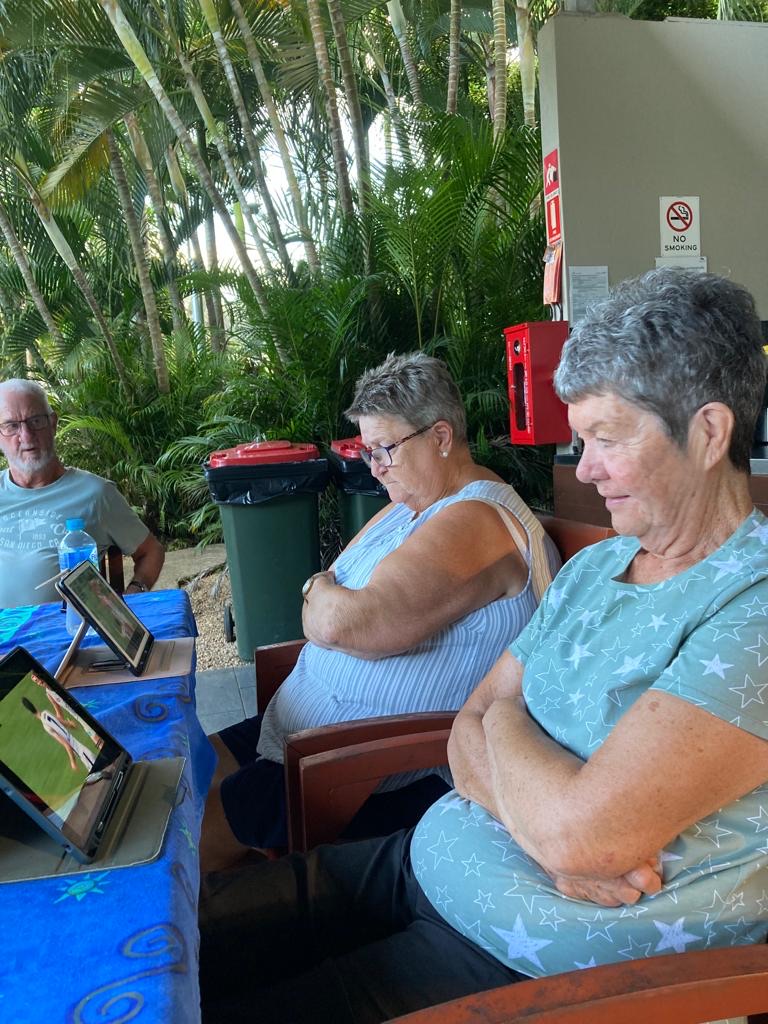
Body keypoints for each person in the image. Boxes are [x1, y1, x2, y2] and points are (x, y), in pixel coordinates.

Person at [199, 269, 768, 1024]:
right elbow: (470, 730)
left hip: (533, 964)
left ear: (708, 433)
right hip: (426, 859)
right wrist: (529, 789)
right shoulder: (599, 567)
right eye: (582, 440)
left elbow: (579, 832)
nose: (584, 468)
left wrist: (506, 734)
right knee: (181, 939)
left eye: (607, 438)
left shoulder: (752, 608)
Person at [200, 352, 560, 870]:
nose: (374, 468)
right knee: (185, 774)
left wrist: (320, 597)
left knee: (186, 841)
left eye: (385, 449)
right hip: (306, 734)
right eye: (368, 452)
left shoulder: (477, 520)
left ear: (440, 437)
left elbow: (341, 619)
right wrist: (322, 594)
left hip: (362, 768)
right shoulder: (410, 505)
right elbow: (328, 586)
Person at [0, 379, 164, 608]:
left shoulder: (95, 494)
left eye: (35, 421)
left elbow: (151, 551)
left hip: (64, 629)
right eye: (11, 426)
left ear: (53, 424)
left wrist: (132, 597)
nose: (26, 436)